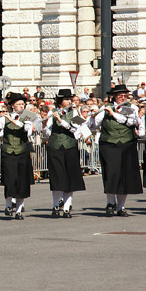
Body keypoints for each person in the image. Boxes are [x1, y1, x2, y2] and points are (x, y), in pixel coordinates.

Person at [90, 84, 143, 216]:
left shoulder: (132, 108)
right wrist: (92, 117)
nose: (123, 98)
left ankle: (121, 207)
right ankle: (110, 202)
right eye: (120, 96)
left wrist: (113, 113)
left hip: (126, 144)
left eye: (125, 95)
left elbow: (129, 122)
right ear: (114, 96)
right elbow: (94, 125)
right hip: (109, 145)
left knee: (125, 176)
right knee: (111, 174)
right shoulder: (104, 109)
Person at [42, 89, 91, 218]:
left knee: (70, 179)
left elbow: (75, 130)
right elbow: (47, 133)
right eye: (66, 99)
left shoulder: (74, 113)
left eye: (70, 99)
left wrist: (61, 121)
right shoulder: (53, 112)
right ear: (60, 101)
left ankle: (67, 207)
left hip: (70, 147)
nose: (69, 101)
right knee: (57, 178)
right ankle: (55, 205)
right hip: (55, 147)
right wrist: (45, 124)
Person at [0, 92, 34, 220]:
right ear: (13, 106)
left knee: (22, 181)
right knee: (10, 180)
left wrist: (12, 120)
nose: (21, 106)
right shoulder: (3, 118)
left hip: (22, 152)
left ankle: (19, 209)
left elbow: (27, 130)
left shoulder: (27, 116)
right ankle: (8, 204)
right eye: (18, 104)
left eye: (22, 104)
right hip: (8, 152)